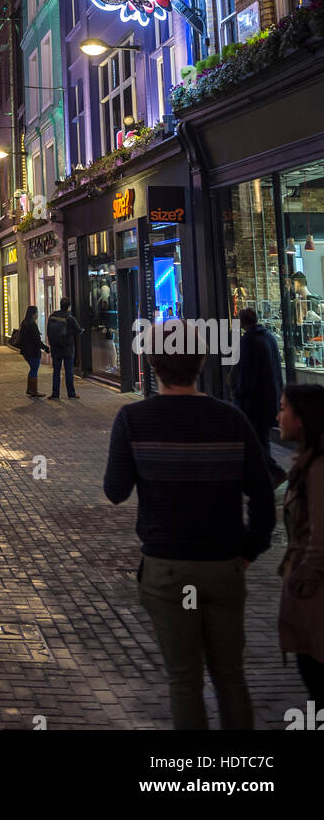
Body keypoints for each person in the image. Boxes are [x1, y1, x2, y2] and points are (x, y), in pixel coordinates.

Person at [103, 324, 275, 731]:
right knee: (231, 676)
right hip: (224, 565)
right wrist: (249, 550)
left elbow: (115, 491)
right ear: (200, 363)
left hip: (168, 566)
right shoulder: (231, 419)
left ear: (152, 365)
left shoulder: (133, 419)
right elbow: (264, 495)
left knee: (184, 680)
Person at [277, 384, 324, 709]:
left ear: (302, 419)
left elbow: (320, 538)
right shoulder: (307, 463)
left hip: (316, 597)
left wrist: (301, 581)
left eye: (283, 408)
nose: (277, 416)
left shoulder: (318, 469)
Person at [234, 308, 286, 485]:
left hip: (255, 401)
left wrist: (240, 393)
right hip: (270, 397)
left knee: (255, 439)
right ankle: (267, 473)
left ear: (242, 322)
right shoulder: (269, 337)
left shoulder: (249, 341)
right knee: (262, 438)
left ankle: (271, 471)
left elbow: (248, 373)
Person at [46, 298, 83, 400]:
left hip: (55, 349)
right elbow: (78, 330)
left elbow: (48, 331)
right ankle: (71, 394)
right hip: (67, 349)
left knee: (56, 372)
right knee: (69, 372)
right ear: (69, 307)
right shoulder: (70, 318)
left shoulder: (52, 316)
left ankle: (55, 394)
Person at [19, 304, 49, 399]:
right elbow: (37, 340)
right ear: (33, 314)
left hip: (26, 351)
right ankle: (34, 391)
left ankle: (30, 389)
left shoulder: (24, 322)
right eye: (37, 313)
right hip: (33, 352)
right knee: (34, 370)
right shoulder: (32, 324)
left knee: (32, 369)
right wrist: (45, 347)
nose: (38, 315)